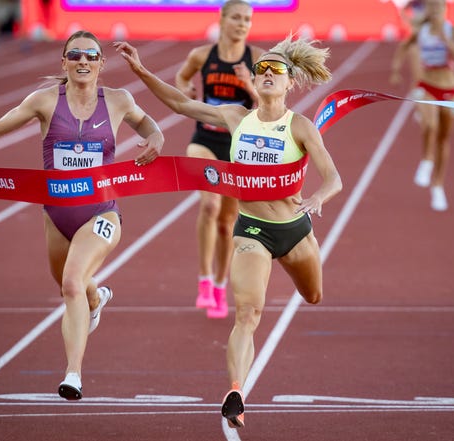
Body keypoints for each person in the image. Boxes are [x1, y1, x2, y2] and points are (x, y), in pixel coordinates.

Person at [115, 35, 342, 428]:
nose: (268, 74)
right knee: (248, 313)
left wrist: (319, 196)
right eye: (262, 69)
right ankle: (236, 392)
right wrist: (140, 70)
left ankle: (302, 266)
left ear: (290, 82)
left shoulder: (300, 125)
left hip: (294, 229)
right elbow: (181, 103)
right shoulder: (236, 117)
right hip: (252, 229)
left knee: (314, 295)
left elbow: (334, 177)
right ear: (253, 80)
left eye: (276, 70)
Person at [0, 30, 164, 400]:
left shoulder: (118, 100)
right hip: (57, 216)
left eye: (91, 56)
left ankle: (73, 374)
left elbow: (148, 124)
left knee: (72, 282)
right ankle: (97, 299)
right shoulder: (44, 101)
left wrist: (156, 137)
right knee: (71, 284)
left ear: (101, 64)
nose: (83, 62)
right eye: (75, 55)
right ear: (63, 62)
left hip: (101, 213)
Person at [174, 0, 265, 319]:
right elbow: (182, 78)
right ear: (222, 19)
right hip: (204, 141)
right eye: (237, 18)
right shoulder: (202, 55)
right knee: (209, 205)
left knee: (227, 224)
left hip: (238, 145)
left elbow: (269, 103)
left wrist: (248, 85)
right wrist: (186, 90)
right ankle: (202, 280)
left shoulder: (255, 58)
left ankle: (219, 285)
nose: (242, 24)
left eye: (248, 20)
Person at [389, 0, 454, 211]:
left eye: (438, 8)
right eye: (431, 8)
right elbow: (403, 46)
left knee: (444, 139)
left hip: (450, 89)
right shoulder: (421, 30)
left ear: (445, 10)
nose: (434, 11)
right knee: (430, 125)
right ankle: (426, 161)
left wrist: (447, 41)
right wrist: (396, 69)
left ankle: (438, 185)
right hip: (427, 85)